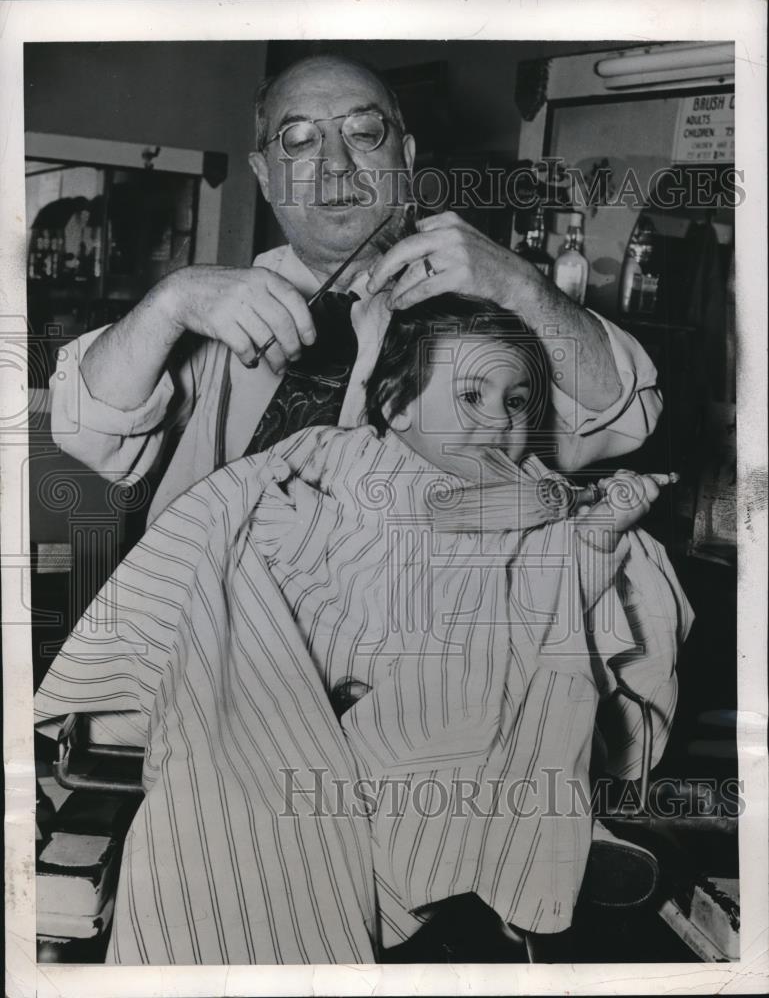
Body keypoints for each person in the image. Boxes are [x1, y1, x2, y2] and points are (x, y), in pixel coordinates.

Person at [35, 295, 692, 964]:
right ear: (400, 408)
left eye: (518, 401)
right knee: (229, 814)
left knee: (521, 676)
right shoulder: (347, 462)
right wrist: (308, 534)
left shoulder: (531, 498)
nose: (499, 417)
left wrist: (599, 532)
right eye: (472, 395)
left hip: (450, 718)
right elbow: (271, 546)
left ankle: (551, 827)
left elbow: (560, 607)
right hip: (318, 700)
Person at [49, 53, 662, 525]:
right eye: (300, 141)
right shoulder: (217, 313)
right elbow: (85, 429)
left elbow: (624, 417)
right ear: (264, 176)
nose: (336, 164)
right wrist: (169, 302)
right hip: (214, 653)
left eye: (364, 132)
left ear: (409, 156)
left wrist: (524, 288)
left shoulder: (488, 301)